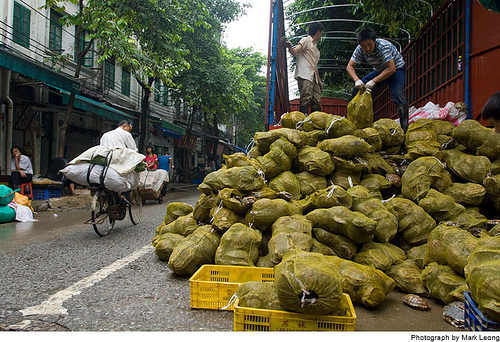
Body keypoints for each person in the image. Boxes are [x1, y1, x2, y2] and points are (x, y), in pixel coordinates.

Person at [346, 28, 409, 132]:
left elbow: (391, 68)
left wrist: (373, 81)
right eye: (364, 46)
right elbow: (349, 66)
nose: (367, 49)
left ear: (374, 41)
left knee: (398, 95)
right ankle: (348, 123)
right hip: (380, 70)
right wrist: (357, 80)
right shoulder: (359, 49)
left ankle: (404, 130)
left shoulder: (383, 47)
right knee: (356, 90)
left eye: (370, 44)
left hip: (396, 69)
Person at [282, 22, 324, 115]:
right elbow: (295, 51)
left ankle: (315, 121)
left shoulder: (317, 50)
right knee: (306, 97)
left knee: (316, 99)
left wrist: (319, 81)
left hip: (314, 76)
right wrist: (289, 46)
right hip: (305, 74)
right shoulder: (306, 40)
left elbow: (315, 66)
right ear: (318, 32)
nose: (321, 35)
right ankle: (303, 120)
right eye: (321, 33)